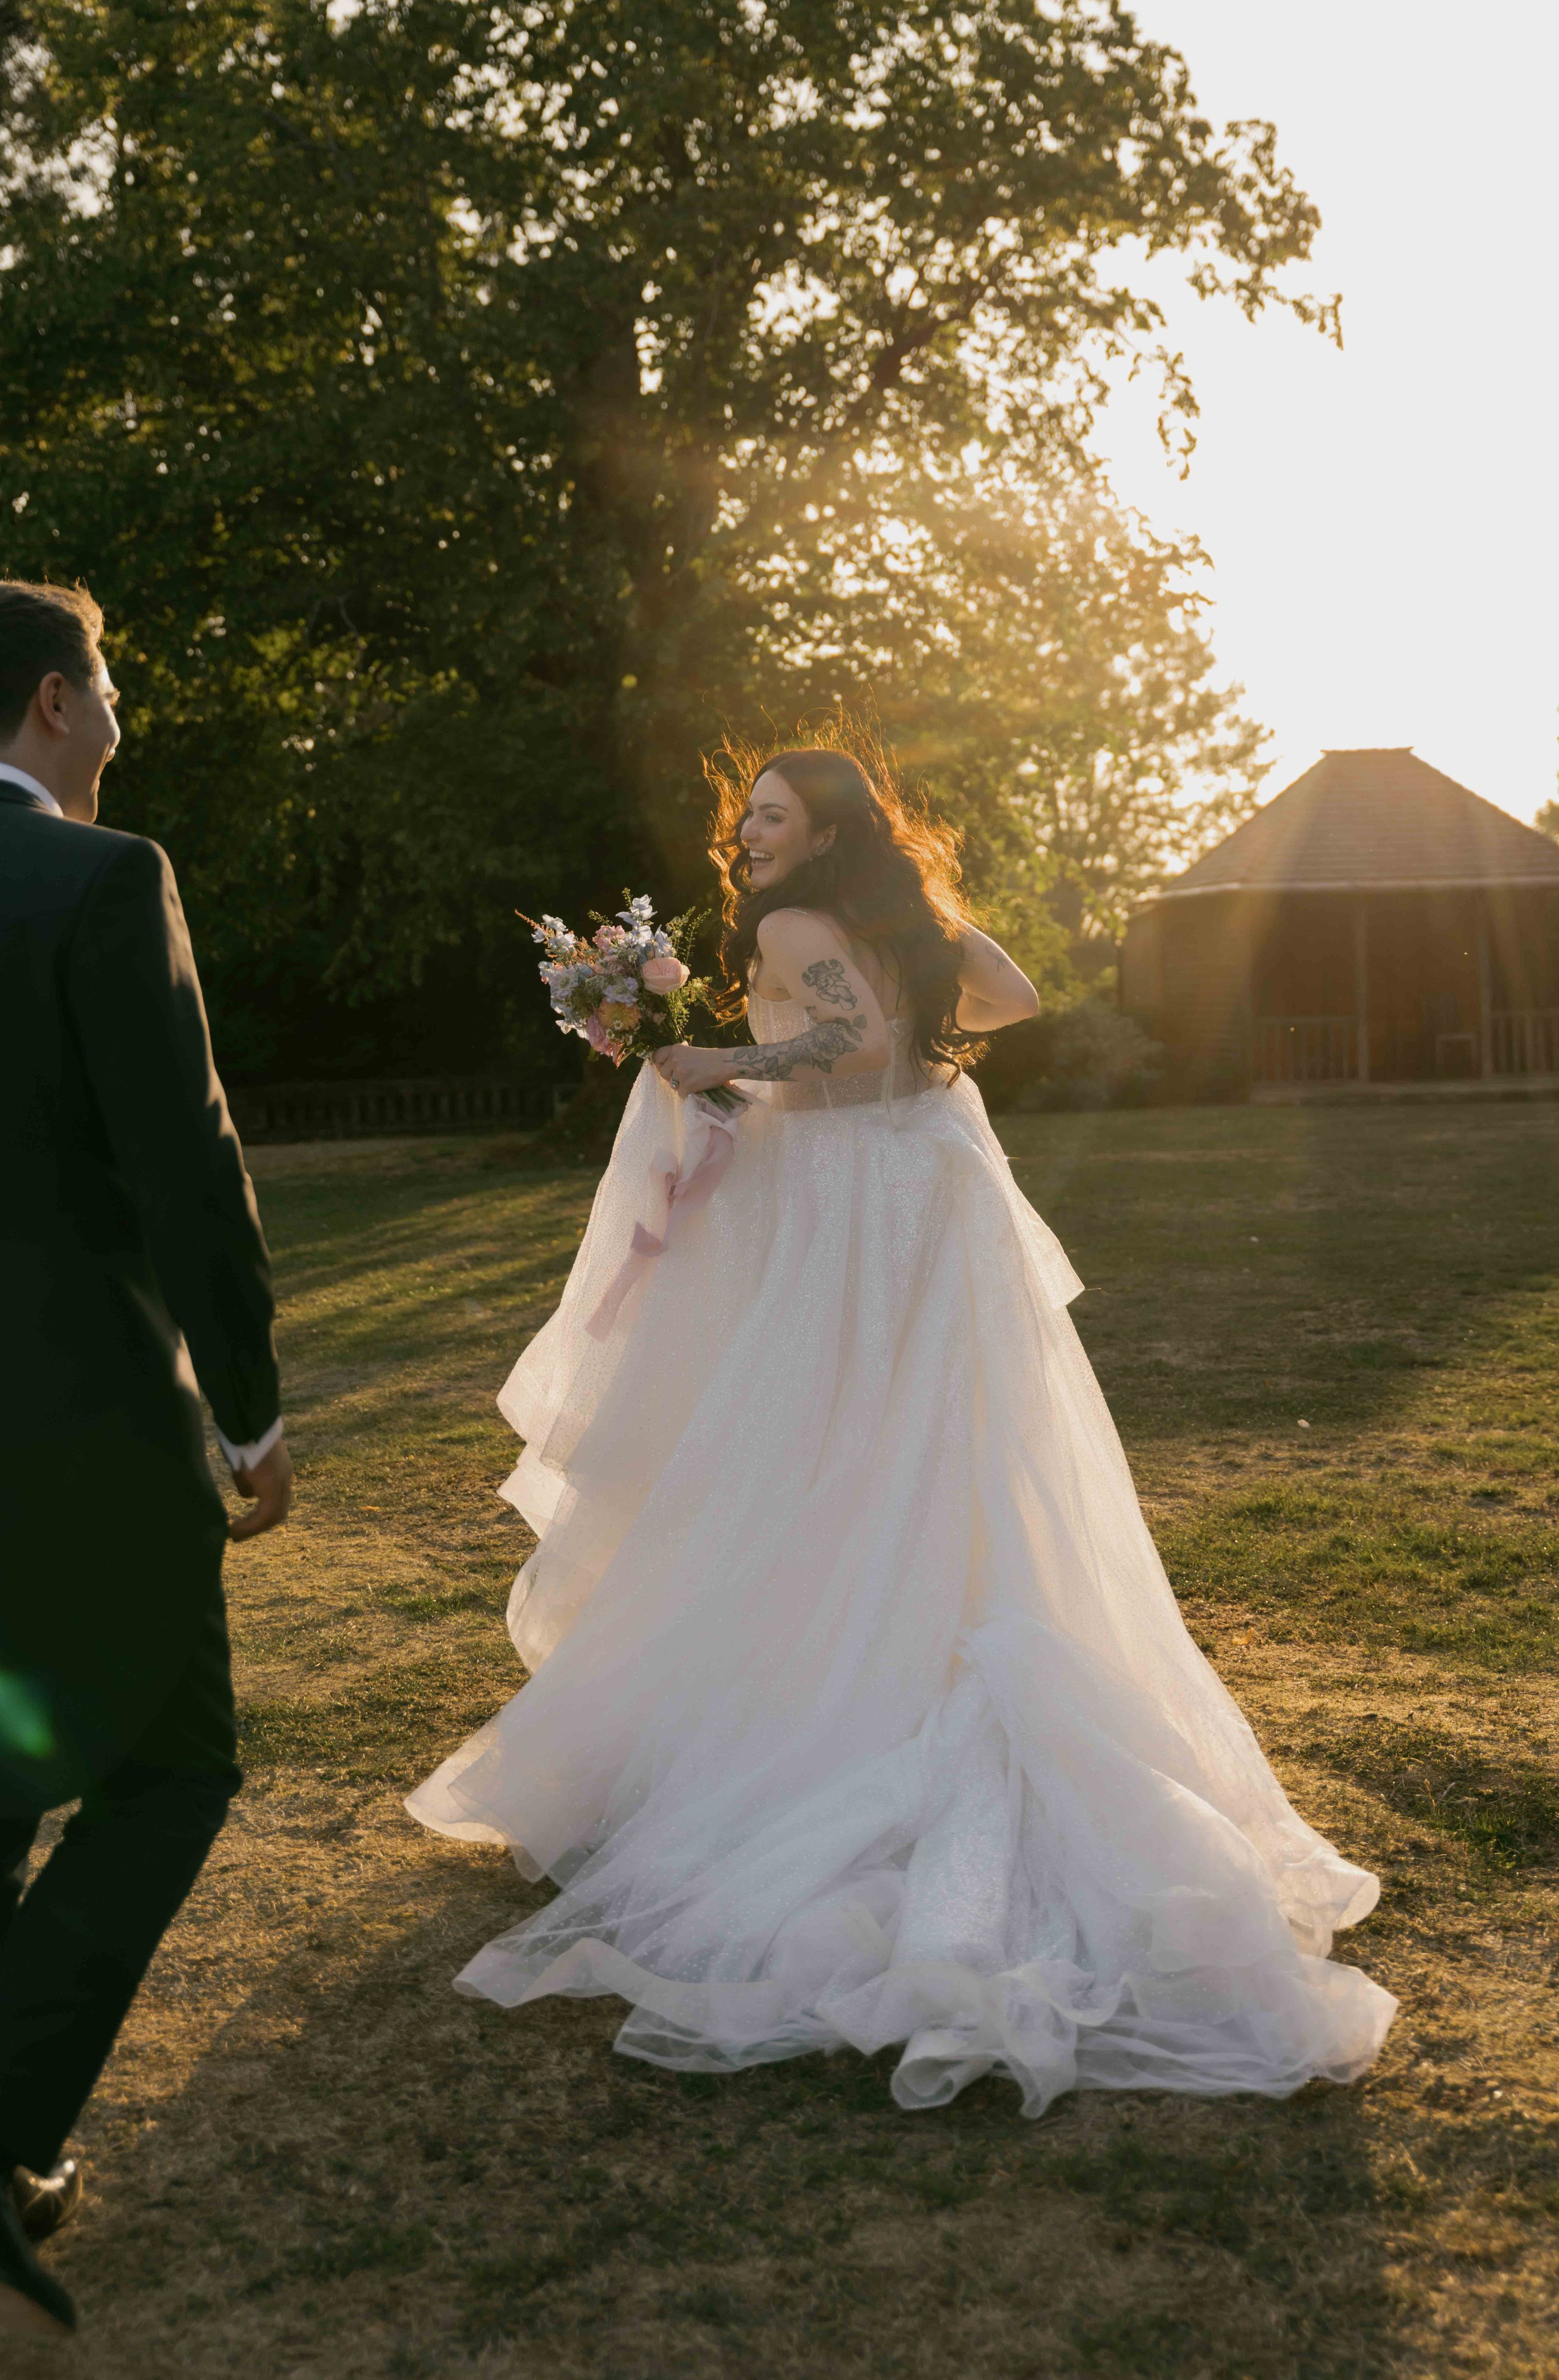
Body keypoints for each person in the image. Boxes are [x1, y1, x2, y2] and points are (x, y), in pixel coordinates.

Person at [407, 743, 1394, 2115]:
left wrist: (716, 1056)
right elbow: (1010, 996)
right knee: (937, 1451)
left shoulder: (789, 922)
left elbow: (847, 1043)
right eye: (745, 812)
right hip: (921, 1178)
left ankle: (842, 1690)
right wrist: (905, 999)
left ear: (823, 833)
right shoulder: (890, 917)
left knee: (818, 1454)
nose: (747, 833)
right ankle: (923, 1622)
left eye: (775, 815)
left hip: (844, 1206)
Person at [0, 580, 292, 2338]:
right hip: (82, 1421)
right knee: (174, 1765)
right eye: (109, 686)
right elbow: (182, 1166)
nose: (121, 718)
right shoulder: (104, 880)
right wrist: (252, 1408)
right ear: (55, 704)